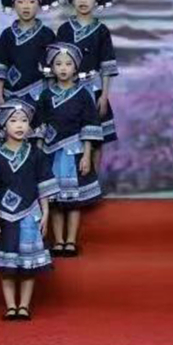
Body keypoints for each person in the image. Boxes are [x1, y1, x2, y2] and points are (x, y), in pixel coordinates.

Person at [0, 99, 58, 320]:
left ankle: (24, 306)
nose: (20, 125)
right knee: (7, 266)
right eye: (13, 121)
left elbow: (44, 184)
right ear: (4, 126)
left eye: (24, 120)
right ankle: (10, 306)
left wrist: (46, 213)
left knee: (28, 264)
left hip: (30, 215)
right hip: (4, 216)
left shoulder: (36, 154)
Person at [37, 43, 103, 256]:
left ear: (75, 67)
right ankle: (58, 241)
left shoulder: (83, 94)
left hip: (75, 153)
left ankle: (71, 241)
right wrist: (39, 155)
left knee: (74, 202)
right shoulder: (46, 95)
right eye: (58, 64)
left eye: (68, 64)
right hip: (51, 154)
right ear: (52, 68)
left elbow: (89, 125)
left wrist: (87, 155)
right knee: (55, 200)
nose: (63, 68)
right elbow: (40, 126)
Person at [58, 0, 121, 156]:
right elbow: (56, 62)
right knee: (71, 136)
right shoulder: (64, 29)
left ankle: (95, 174)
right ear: (72, 0)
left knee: (96, 139)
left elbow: (107, 65)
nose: (83, 0)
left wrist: (104, 96)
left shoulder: (101, 31)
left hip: (94, 89)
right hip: (68, 89)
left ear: (96, 0)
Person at [0, 0, 58, 106]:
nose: (26, 6)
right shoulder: (7, 34)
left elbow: (52, 68)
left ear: (39, 4)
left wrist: (51, 95)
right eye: (20, 1)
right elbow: (0, 66)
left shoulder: (47, 34)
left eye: (32, 1)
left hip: (38, 92)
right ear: (13, 5)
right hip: (9, 94)